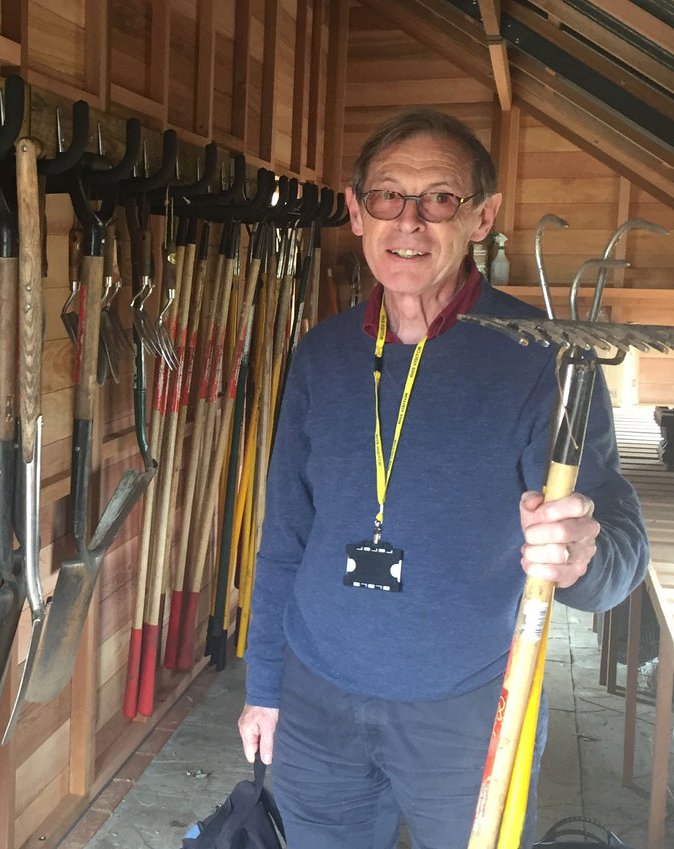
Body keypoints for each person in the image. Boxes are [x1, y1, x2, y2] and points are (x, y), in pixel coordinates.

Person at [238, 109, 649, 849]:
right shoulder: (322, 355)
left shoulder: (537, 358)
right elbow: (284, 537)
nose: (411, 222)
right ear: (356, 210)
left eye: (440, 199)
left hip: (468, 708)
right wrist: (265, 685)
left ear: (482, 216)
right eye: (389, 196)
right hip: (317, 699)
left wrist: (586, 555)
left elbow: (619, 534)